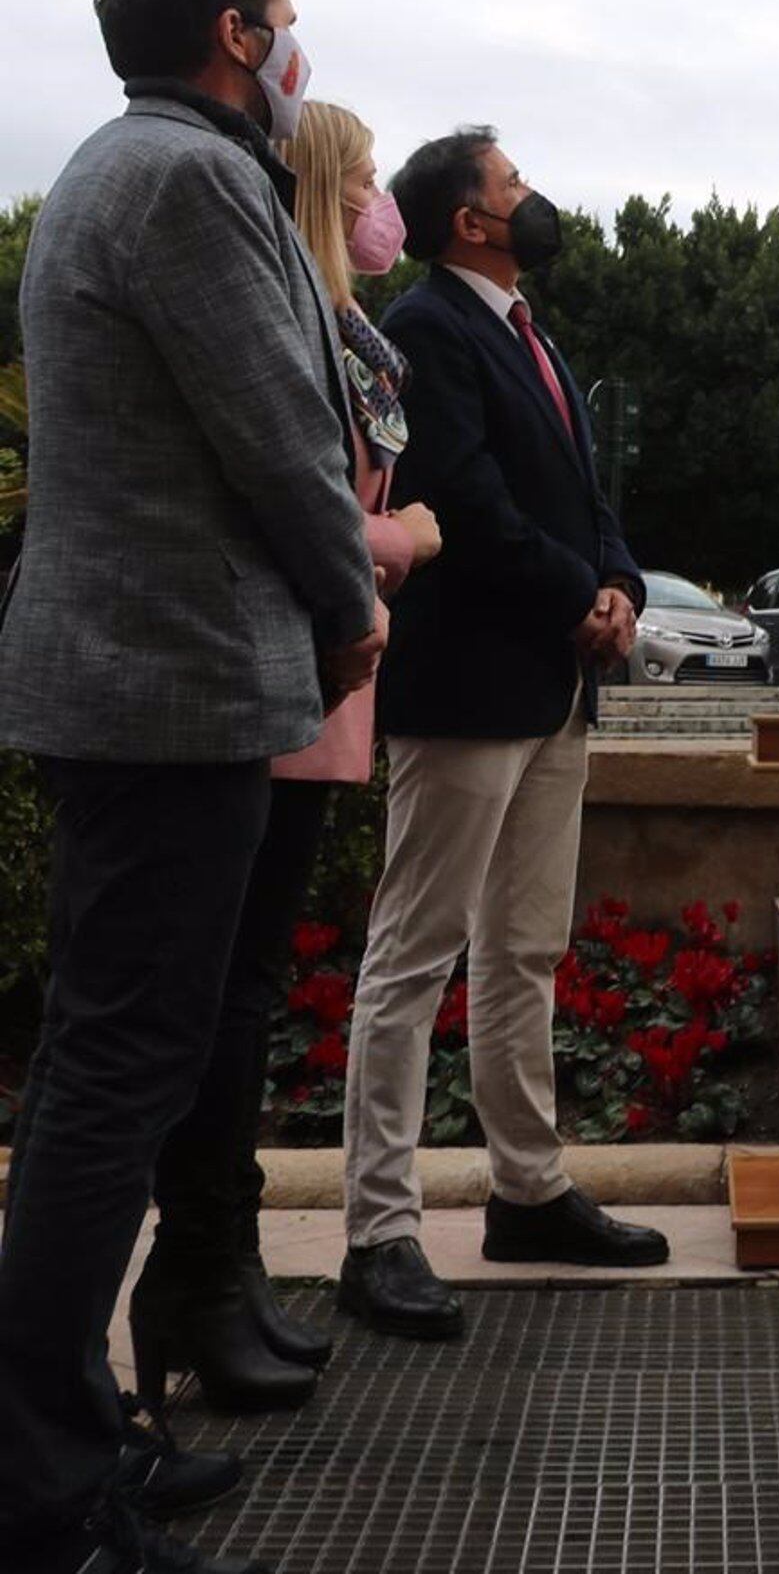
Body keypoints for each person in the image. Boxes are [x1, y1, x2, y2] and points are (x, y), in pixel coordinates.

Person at [0, 0, 379, 1574]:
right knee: (116, 1072)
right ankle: (42, 1481)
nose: (296, 46)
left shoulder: (113, 165)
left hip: (123, 677)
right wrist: (347, 590)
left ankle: (67, 1425)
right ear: (236, 33)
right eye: (283, 19)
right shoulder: (196, 181)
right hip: (171, 684)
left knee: (113, 1061)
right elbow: (280, 428)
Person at [127, 104, 441, 1412]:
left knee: (244, 990)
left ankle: (221, 1266)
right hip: (279, 683)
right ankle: (196, 1273)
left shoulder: (340, 329)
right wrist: (405, 537)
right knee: (219, 997)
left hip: (324, 692)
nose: (383, 204)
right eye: (364, 176)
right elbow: (287, 495)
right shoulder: (297, 325)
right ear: (318, 187)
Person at [336, 127, 663, 1339]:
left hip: (550, 684)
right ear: (472, 221)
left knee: (523, 947)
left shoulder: (529, 331)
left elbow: (581, 491)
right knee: (415, 956)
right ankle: (381, 1230)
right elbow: (463, 498)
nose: (533, 196)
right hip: (472, 686)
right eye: (513, 182)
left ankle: (527, 1188)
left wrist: (619, 578)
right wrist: (577, 595)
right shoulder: (431, 326)